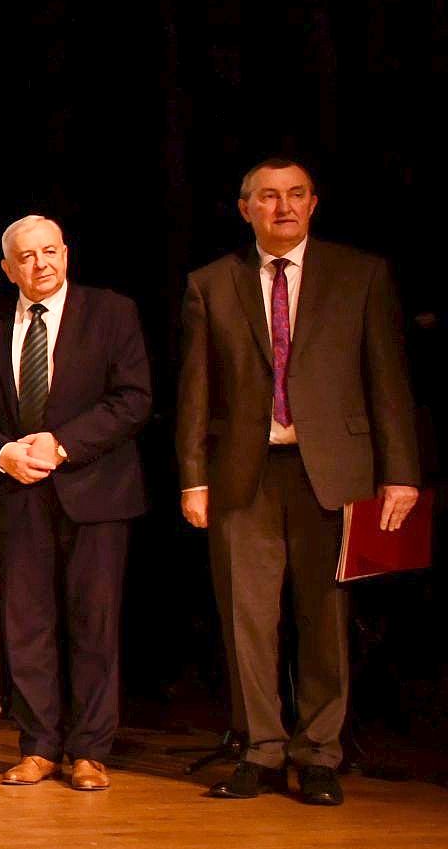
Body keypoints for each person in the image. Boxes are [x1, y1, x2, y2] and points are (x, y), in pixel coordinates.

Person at [179, 158, 420, 805]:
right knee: (247, 619)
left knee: (325, 618)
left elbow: (387, 376)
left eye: (295, 195)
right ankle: (260, 749)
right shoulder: (212, 283)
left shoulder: (359, 274)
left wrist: (400, 471)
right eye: (268, 196)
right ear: (245, 208)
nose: (282, 206)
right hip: (243, 474)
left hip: (334, 472)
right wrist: (192, 478)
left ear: (313, 203)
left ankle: (317, 754)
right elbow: (196, 389)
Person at [0, 217, 151, 791]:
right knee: (26, 628)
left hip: (95, 492)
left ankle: (89, 751)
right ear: (8, 268)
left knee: (94, 625)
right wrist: (3, 452)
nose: (40, 264)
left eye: (49, 251)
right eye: (26, 256)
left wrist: (61, 445)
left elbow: (134, 399)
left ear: (66, 254)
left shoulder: (111, 312)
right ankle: (38, 746)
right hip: (15, 494)